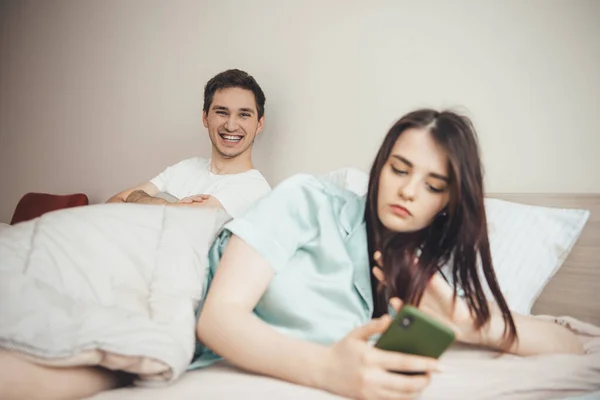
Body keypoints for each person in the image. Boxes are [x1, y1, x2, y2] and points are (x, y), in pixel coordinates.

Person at [195, 109, 584, 400]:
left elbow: (570, 346)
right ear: (381, 166)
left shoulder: (423, 279)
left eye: (433, 185)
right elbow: (218, 319)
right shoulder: (306, 200)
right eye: (399, 170)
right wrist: (327, 370)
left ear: (448, 202)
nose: (409, 191)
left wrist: (468, 321)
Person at [107, 69, 271, 217]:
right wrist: (166, 204)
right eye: (222, 112)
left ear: (260, 124)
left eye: (244, 115)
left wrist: (144, 200)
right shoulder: (186, 167)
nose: (231, 125)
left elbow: (182, 221)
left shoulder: (255, 189)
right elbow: (115, 201)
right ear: (205, 118)